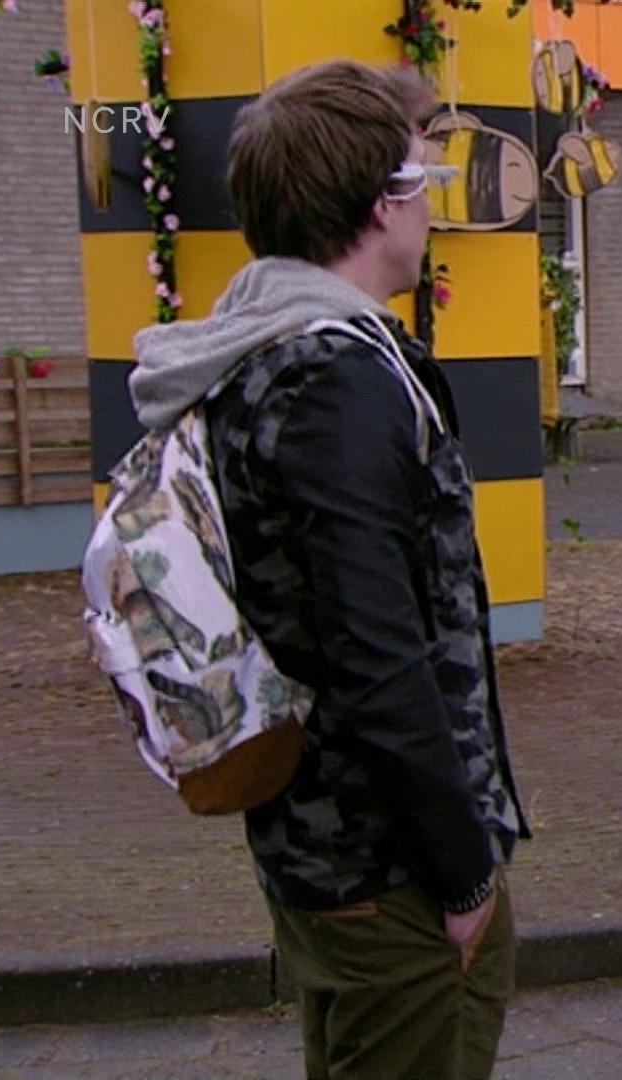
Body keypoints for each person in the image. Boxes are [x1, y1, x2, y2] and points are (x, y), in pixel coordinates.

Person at [128, 60, 526, 1079]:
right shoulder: (336, 380)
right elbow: (376, 652)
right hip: (386, 866)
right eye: (427, 179)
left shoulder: (258, 355)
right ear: (383, 200)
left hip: (324, 847)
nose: (433, 208)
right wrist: (463, 871)